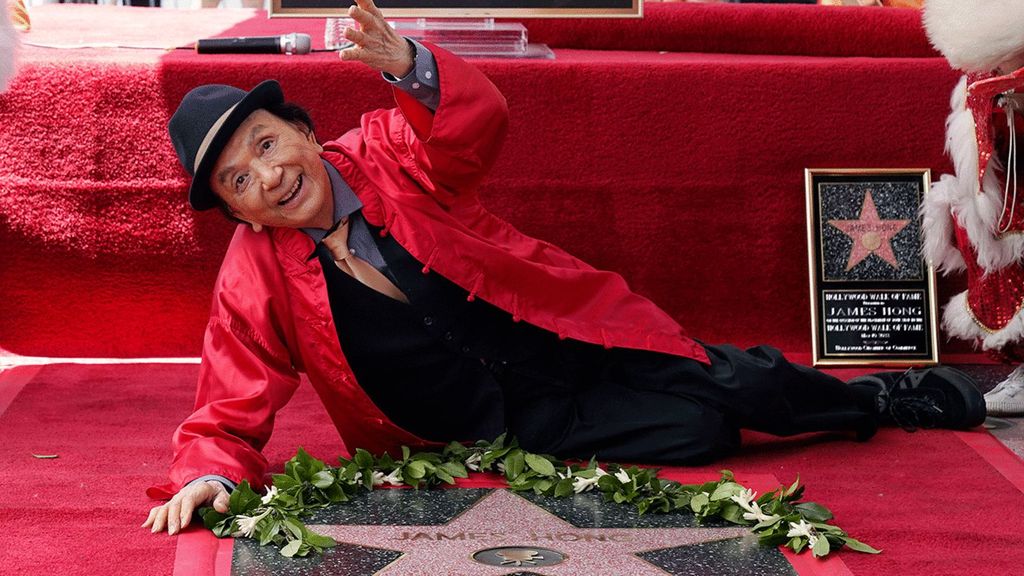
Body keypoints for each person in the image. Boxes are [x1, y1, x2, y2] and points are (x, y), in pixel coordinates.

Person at [143, 0, 985, 537]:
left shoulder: (385, 151)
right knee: (693, 434)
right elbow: (228, 402)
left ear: (299, 129)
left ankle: (880, 397)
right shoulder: (253, 273)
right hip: (500, 429)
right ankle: (725, 410)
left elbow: (472, 126)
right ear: (239, 212)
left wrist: (408, 68)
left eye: (266, 145)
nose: (269, 176)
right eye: (238, 181)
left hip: (570, 337)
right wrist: (211, 475)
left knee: (734, 385)